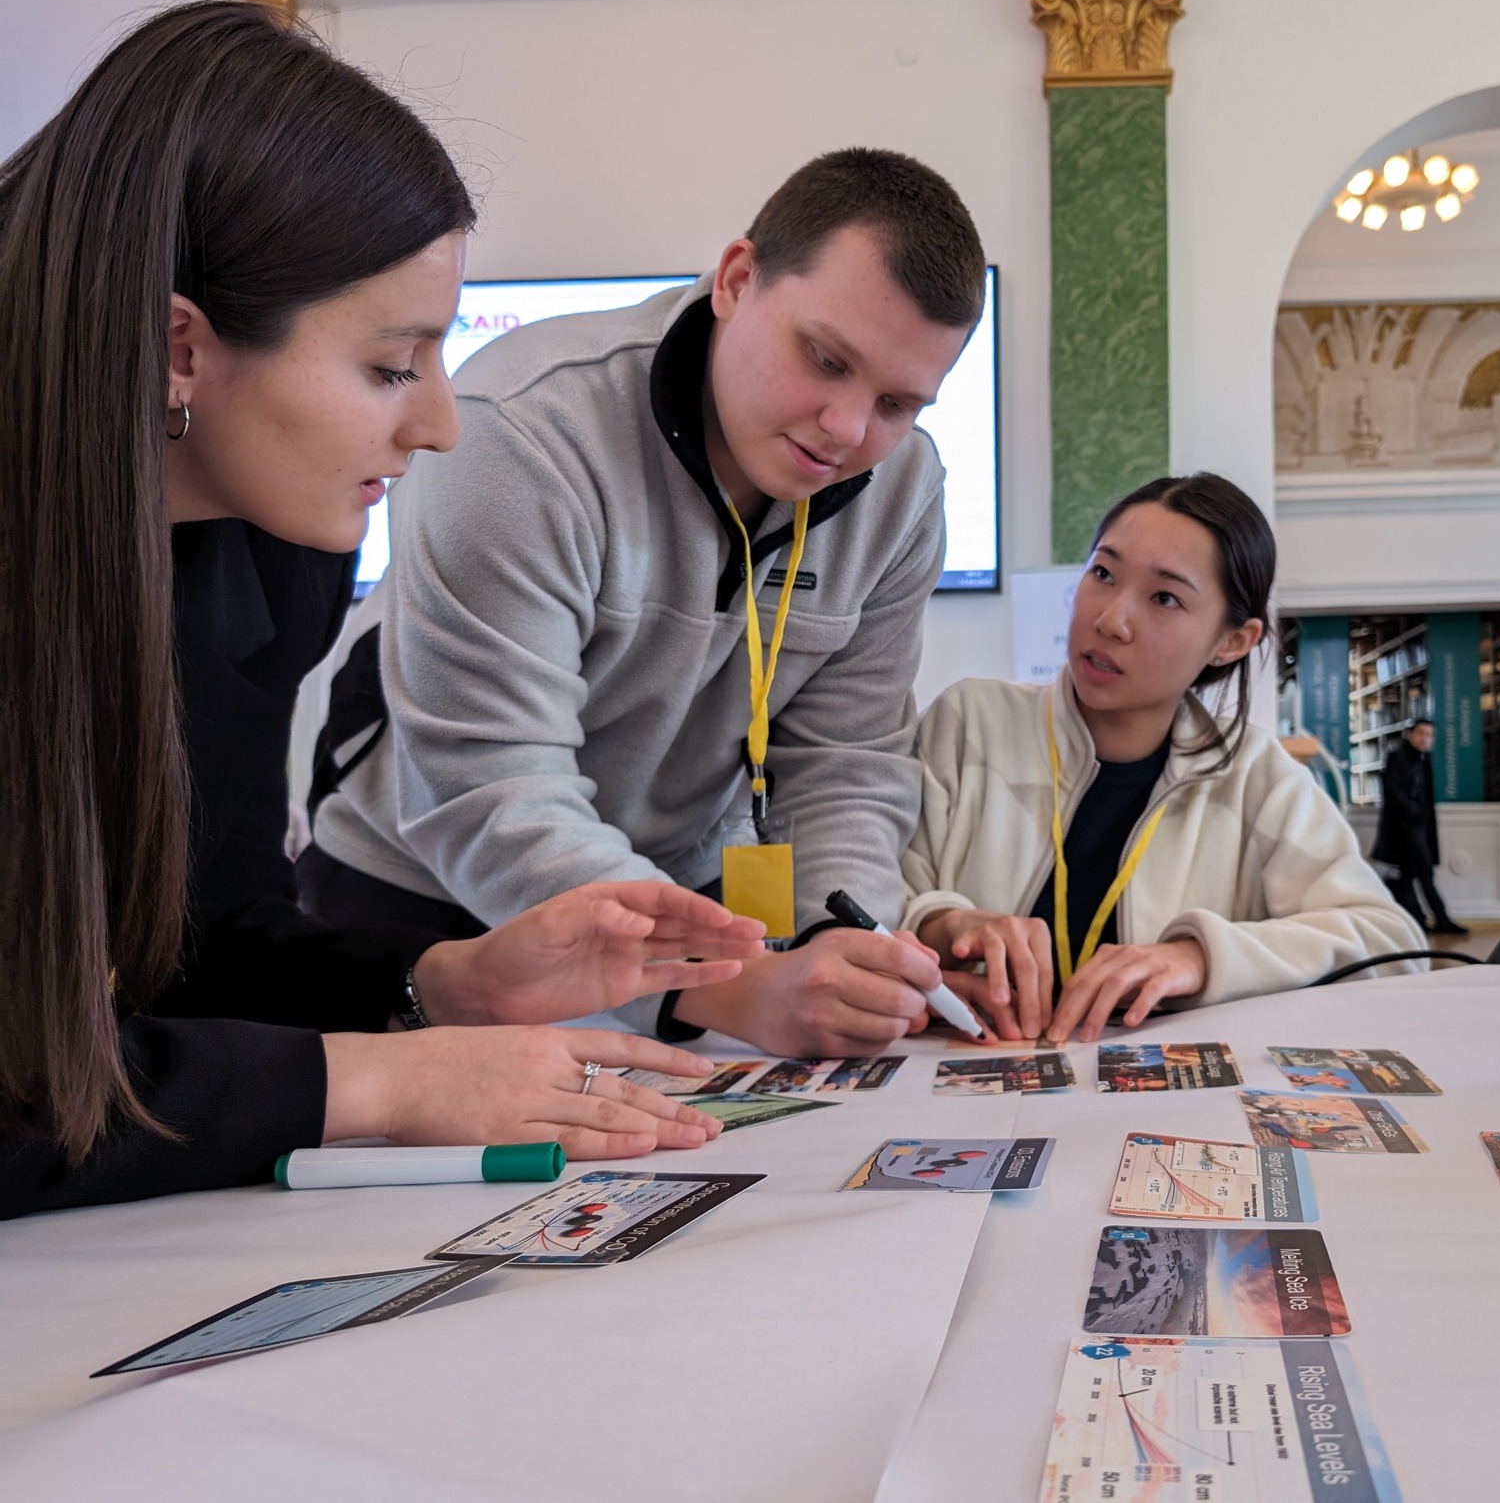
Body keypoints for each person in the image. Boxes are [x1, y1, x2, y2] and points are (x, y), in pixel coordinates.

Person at [0, 1, 767, 1220]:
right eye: (387, 366)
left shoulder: (271, 548)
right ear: (177, 350)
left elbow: (196, 936)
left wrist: (441, 987)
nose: (438, 425)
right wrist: (367, 1082)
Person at [298, 150, 985, 1059]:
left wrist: (833, 936)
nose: (849, 430)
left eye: (899, 402)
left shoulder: (905, 489)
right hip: (426, 903)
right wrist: (723, 983)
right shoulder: (520, 431)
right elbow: (494, 788)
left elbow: (845, 757)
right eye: (825, 360)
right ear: (737, 280)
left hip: (688, 916)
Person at [900, 474, 1429, 1043]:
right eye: (1103, 574)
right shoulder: (971, 723)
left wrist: (1201, 958)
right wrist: (943, 925)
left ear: (1233, 641)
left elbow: (1395, 947)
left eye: (1165, 598)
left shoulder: (1256, 777)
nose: (1110, 620)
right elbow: (863, 893)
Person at [1371, 720, 1466, 935]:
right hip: (1405, 828)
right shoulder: (1397, 758)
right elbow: (1394, 792)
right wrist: (1413, 811)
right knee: (1423, 873)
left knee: (1408, 877)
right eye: (1421, 733)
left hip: (1419, 826)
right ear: (1410, 735)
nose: (1425, 739)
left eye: (1430, 735)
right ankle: (1439, 919)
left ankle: (1418, 921)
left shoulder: (1424, 759)